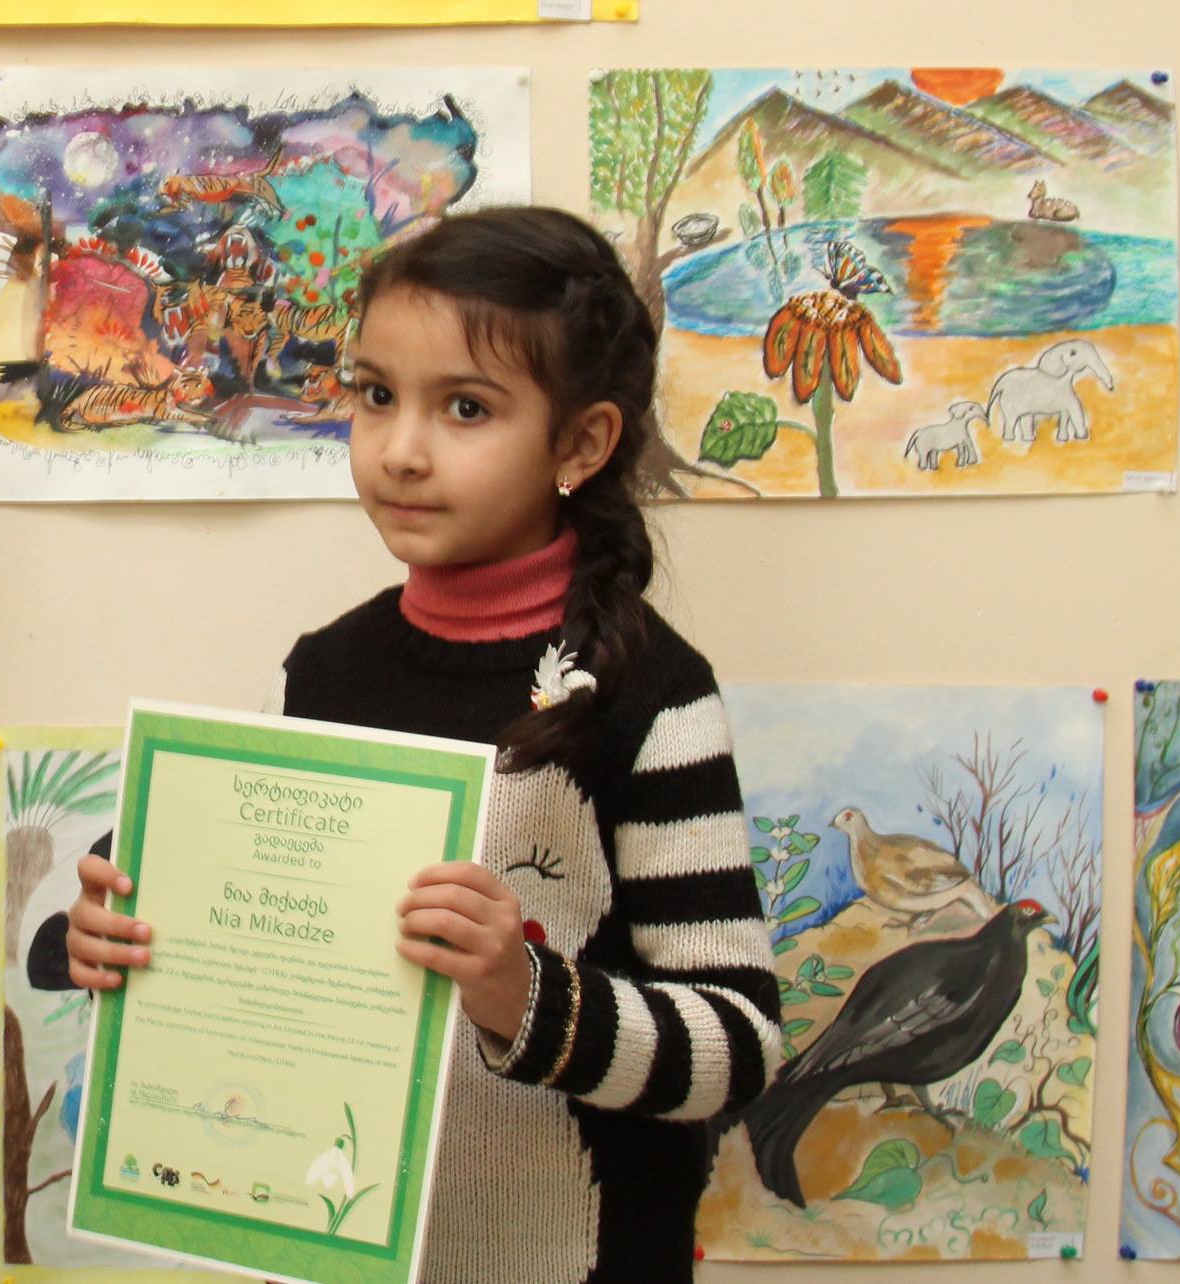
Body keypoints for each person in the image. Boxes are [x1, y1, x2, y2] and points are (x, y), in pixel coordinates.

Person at [64, 205, 782, 1283]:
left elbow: (738, 1048)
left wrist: (526, 996)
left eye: (465, 408)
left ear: (581, 444)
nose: (400, 451)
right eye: (375, 395)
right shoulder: (319, 674)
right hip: (338, 1250)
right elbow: (244, 940)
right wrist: (115, 935)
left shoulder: (652, 696)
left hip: (576, 1258)